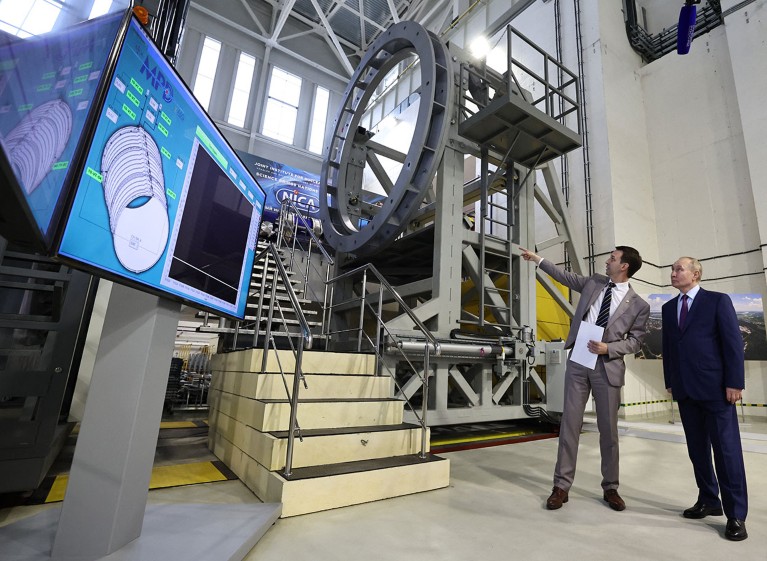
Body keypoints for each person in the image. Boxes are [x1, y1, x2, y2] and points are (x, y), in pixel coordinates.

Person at [520, 246, 650, 511]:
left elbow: (636, 342)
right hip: (579, 361)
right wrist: (538, 260)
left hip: (607, 367)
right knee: (569, 424)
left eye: (612, 258)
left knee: (608, 431)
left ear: (624, 266)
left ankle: (611, 487)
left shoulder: (639, 305)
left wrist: (609, 348)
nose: (607, 261)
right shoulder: (594, 282)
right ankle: (561, 486)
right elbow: (564, 276)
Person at [662, 257, 748, 541]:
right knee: (697, 450)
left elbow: (732, 343)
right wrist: (671, 381)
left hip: (715, 389)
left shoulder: (717, 301)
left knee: (726, 452)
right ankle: (709, 500)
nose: (673, 273)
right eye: (673, 269)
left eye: (679, 269)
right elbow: (670, 349)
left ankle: (736, 514)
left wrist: (734, 382)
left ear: (695, 274)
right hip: (686, 390)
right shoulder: (667, 308)